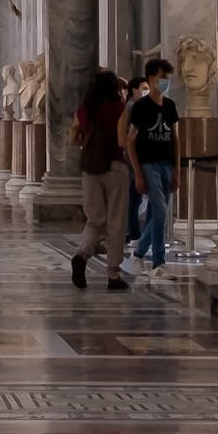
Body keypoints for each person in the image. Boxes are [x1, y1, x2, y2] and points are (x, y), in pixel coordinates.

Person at [71, 65, 131, 290]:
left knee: (95, 219)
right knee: (116, 220)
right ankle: (113, 274)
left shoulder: (84, 109)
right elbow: (121, 140)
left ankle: (81, 254)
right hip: (115, 167)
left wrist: (87, 144)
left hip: (90, 168)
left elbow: (73, 136)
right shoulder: (119, 108)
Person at [127, 54, 180, 268]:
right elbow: (131, 141)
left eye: (167, 77)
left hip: (166, 162)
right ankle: (158, 262)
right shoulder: (141, 107)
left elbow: (175, 138)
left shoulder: (170, 105)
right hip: (148, 163)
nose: (165, 81)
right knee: (160, 211)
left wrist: (177, 169)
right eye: (161, 77)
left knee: (159, 212)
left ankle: (140, 251)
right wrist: (138, 173)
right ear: (150, 78)